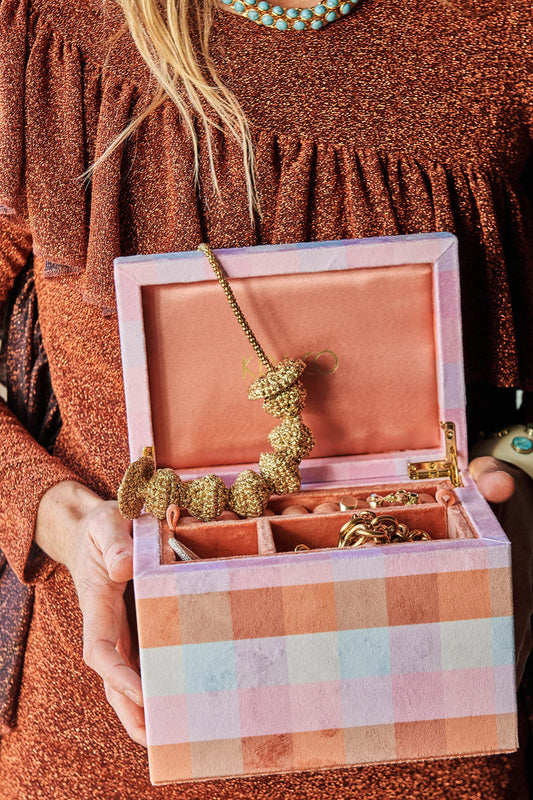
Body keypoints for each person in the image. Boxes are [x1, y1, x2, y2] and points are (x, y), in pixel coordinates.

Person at [0, 0, 532, 797]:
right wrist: (55, 513)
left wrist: (517, 490)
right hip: (103, 743)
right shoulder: (45, 24)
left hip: (432, 716)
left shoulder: (508, 30)